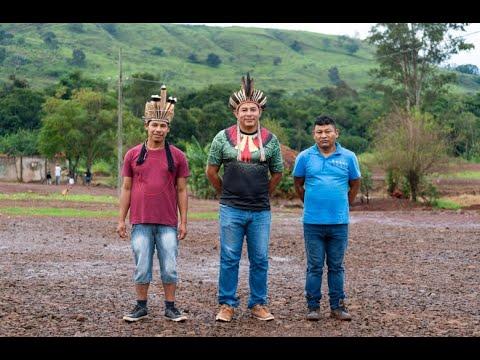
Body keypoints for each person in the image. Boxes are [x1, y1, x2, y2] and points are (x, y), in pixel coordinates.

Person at [206, 73, 284, 322]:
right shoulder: (222, 137)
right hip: (231, 209)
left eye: (253, 109)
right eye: (244, 109)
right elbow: (211, 171)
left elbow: (278, 172)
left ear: (260, 111)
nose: (249, 113)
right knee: (229, 257)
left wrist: (263, 193)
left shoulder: (271, 140)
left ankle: (258, 303)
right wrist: (225, 192)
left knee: (259, 258)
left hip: (260, 210)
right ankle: (227, 304)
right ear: (236, 113)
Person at [117, 86, 189, 323]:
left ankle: (171, 307)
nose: (158, 129)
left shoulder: (177, 156)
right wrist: (121, 219)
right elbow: (126, 188)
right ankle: (141, 306)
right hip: (140, 221)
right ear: (146, 126)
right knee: (141, 265)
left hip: (168, 222)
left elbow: (181, 189)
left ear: (168, 128)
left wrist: (184, 221)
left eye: (163, 125)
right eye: (154, 125)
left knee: (169, 266)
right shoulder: (133, 155)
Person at [293, 115, 361, 322]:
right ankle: (313, 307)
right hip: (312, 222)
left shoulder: (349, 157)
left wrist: (343, 204)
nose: (324, 135)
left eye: (328, 131)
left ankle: (337, 307)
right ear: (314, 135)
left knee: (336, 266)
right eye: (319, 132)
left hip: (339, 223)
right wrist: (312, 203)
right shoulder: (304, 157)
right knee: (314, 266)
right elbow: (298, 183)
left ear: (336, 133)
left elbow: (355, 184)